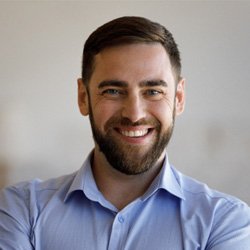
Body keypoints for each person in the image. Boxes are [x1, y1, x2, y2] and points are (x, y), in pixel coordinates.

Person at [0, 16, 249, 250]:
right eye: (112, 91)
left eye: (153, 91)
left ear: (179, 98)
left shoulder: (224, 222)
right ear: (83, 97)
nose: (134, 114)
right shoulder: (22, 209)